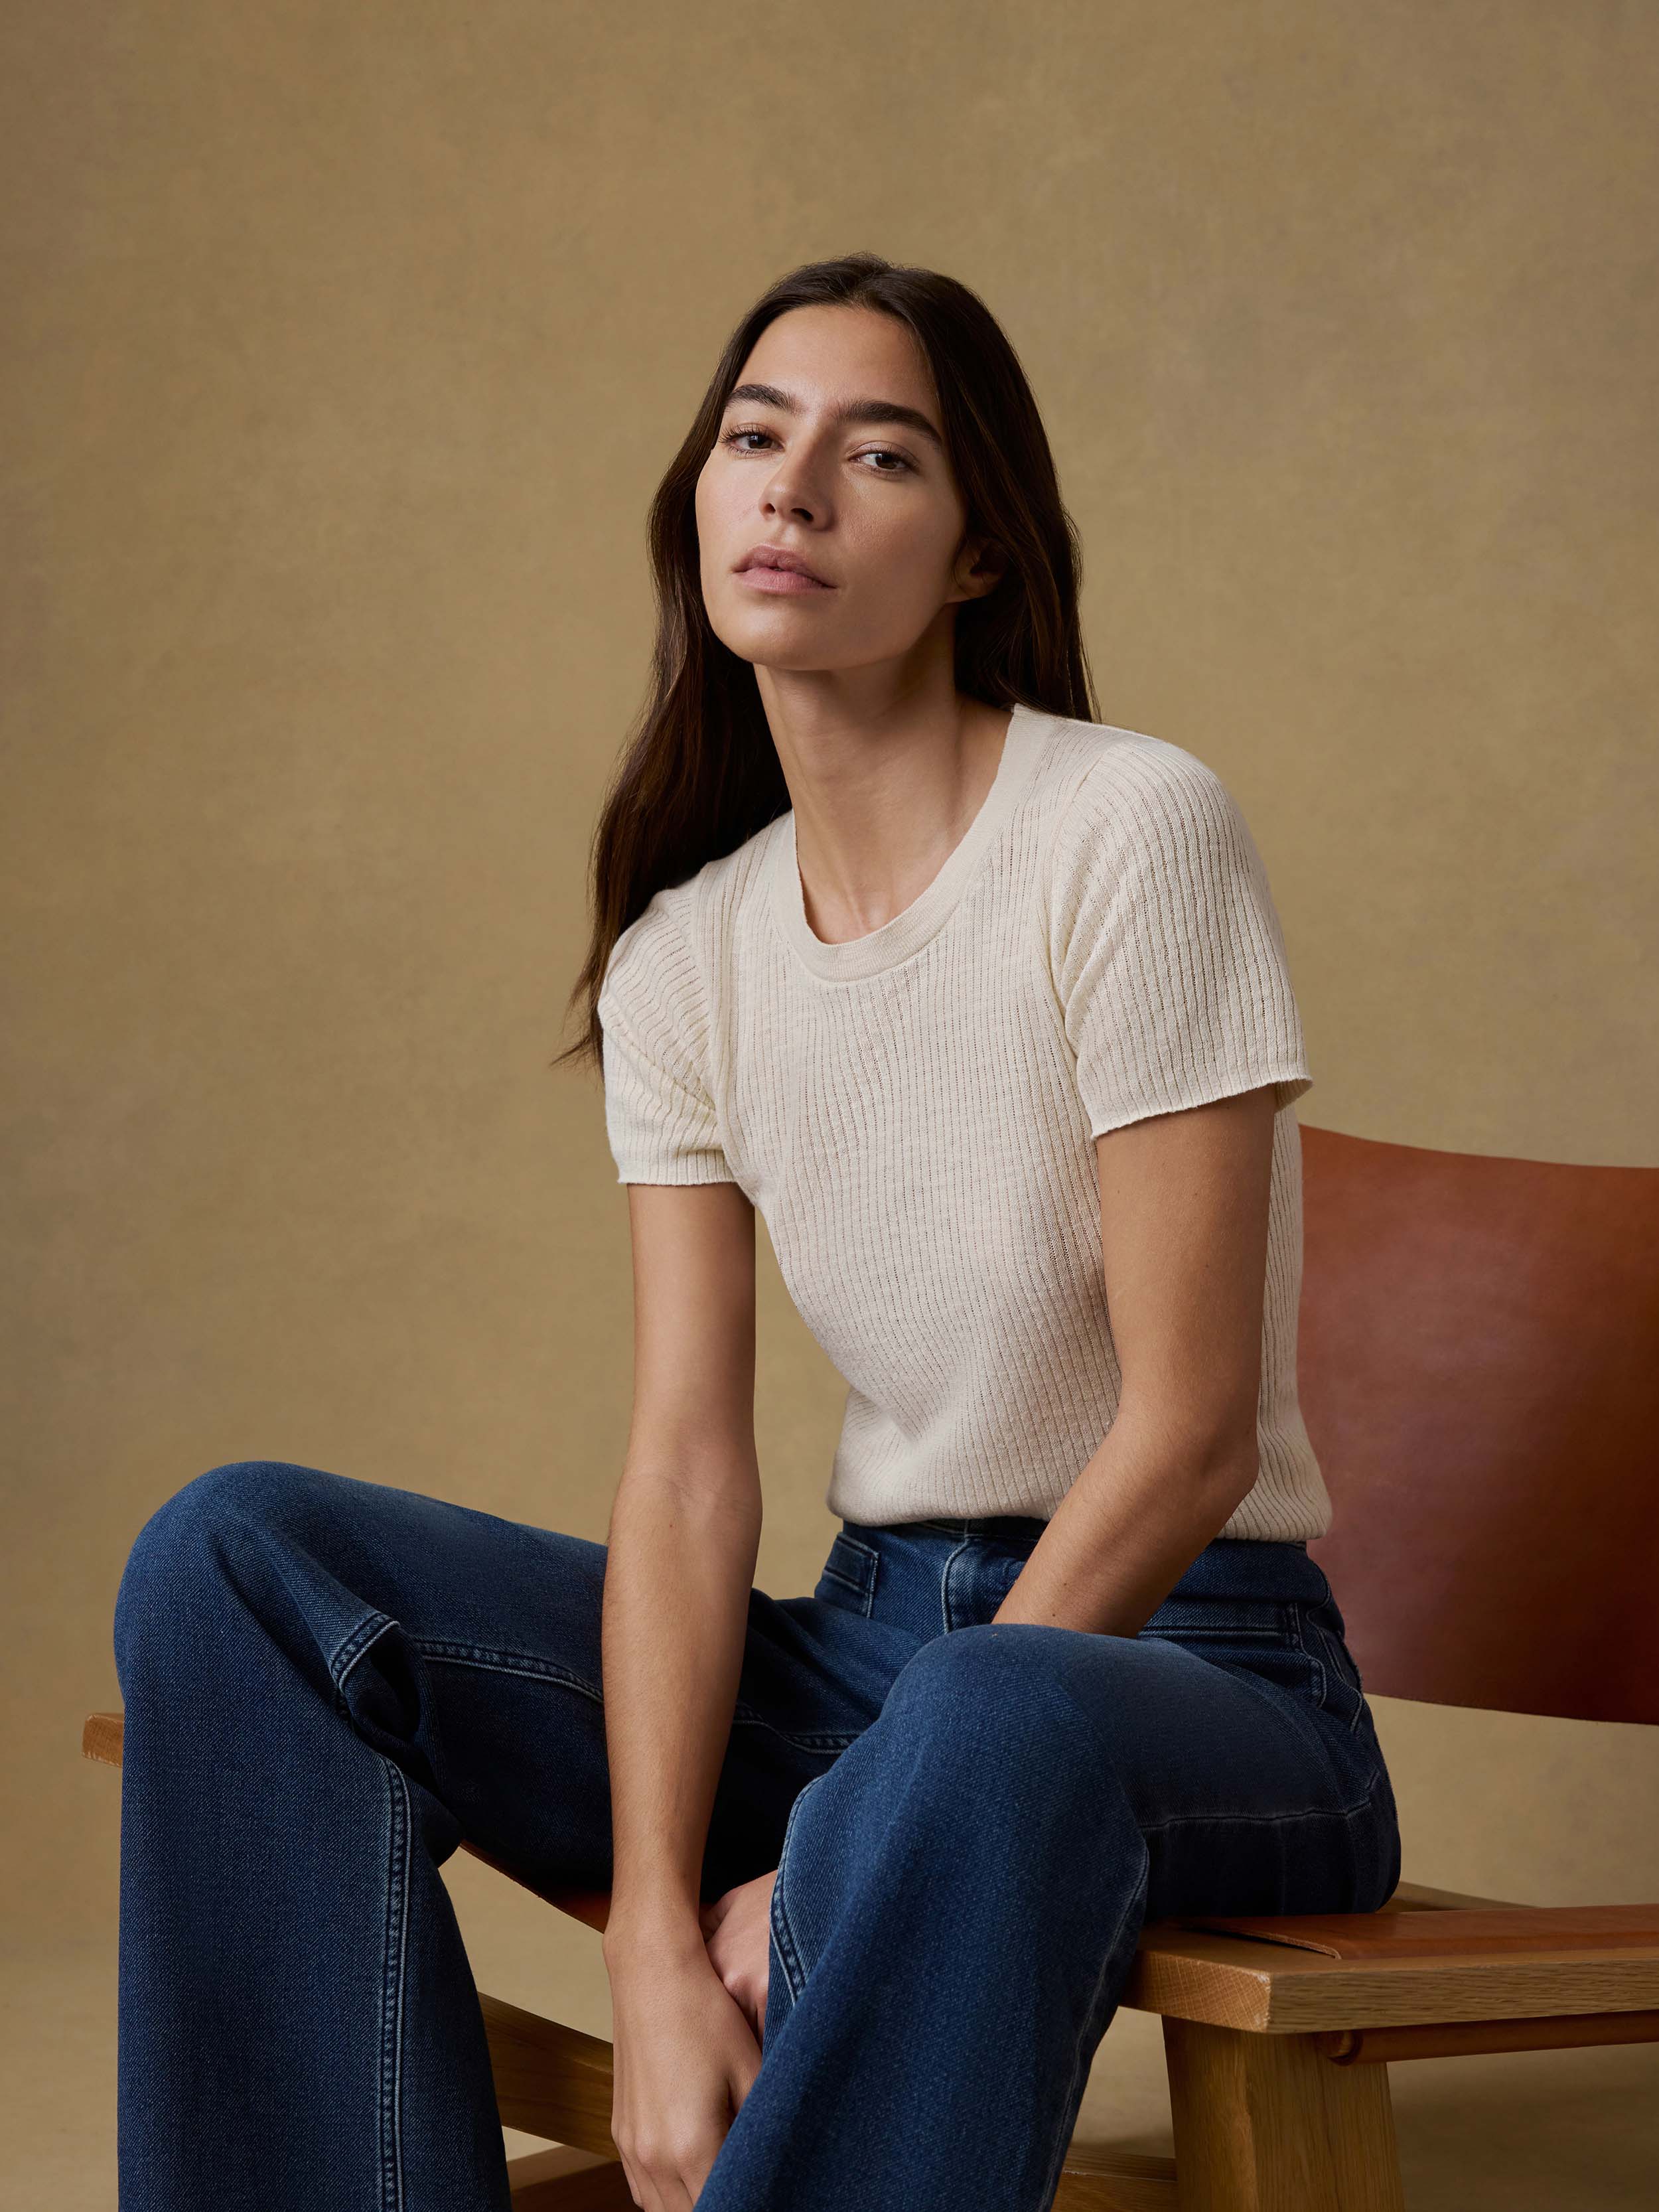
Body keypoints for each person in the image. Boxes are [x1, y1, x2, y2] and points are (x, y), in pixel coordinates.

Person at [112, 252, 1400, 2212]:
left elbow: (1191, 1430)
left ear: (977, 553)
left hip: (1186, 1669)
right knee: (236, 1559)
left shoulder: (1127, 832)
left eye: (876, 454)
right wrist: (649, 1932)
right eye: (751, 436)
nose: (789, 490)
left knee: (981, 1714)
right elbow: (691, 1476)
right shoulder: (685, 956)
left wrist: (826, 1848)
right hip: (869, 1651)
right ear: (700, 502)